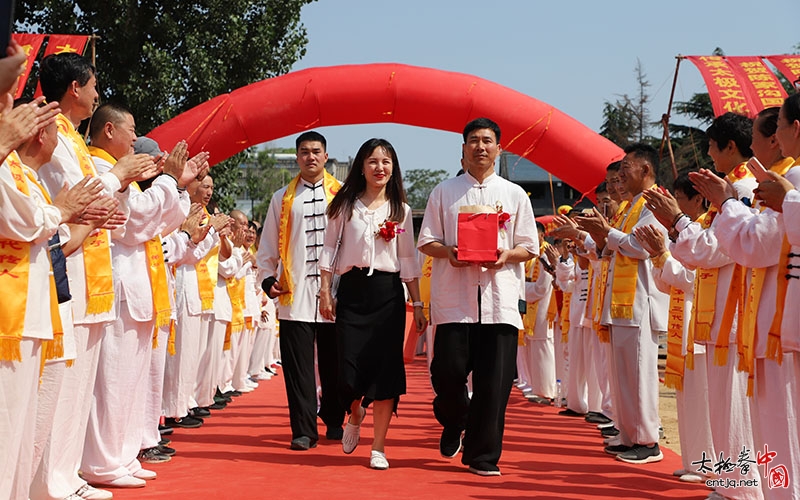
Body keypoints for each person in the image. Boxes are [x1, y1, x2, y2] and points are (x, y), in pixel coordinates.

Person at [418, 117, 538, 476]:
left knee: (495, 384)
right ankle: (456, 419)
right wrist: (450, 252)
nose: (480, 147)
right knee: (447, 373)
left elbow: (529, 246)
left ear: (499, 149)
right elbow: (427, 240)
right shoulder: (444, 192)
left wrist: (506, 255)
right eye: (473, 141)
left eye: (487, 141)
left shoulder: (515, 195)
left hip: (499, 301)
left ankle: (483, 456)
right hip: (455, 302)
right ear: (463, 149)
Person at [318, 138, 426, 469]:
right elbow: (328, 250)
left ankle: (378, 445)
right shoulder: (344, 204)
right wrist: (325, 290)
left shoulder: (401, 210)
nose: (379, 167)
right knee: (347, 371)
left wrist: (418, 303)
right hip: (351, 292)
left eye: (386, 162)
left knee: (385, 371)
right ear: (361, 167)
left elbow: (407, 260)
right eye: (372, 161)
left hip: (387, 294)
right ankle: (354, 413)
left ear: (393, 169)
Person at [576, 143, 669, 464]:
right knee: (622, 375)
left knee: (640, 375)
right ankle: (628, 434)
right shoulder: (631, 207)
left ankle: (647, 440)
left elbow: (641, 246)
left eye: (627, 167)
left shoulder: (655, 203)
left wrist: (607, 233)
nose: (621, 173)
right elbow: (617, 247)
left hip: (639, 303)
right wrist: (604, 238)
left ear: (645, 170)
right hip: (619, 303)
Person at [257, 131, 346, 450]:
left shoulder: (343, 195)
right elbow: (267, 244)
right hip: (294, 295)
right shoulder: (282, 197)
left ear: (326, 156)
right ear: (297, 157)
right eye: (304, 152)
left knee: (336, 363)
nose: (310, 157)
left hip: (335, 292)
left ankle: (335, 418)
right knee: (298, 367)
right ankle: (304, 429)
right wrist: (268, 279)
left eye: (316, 151)